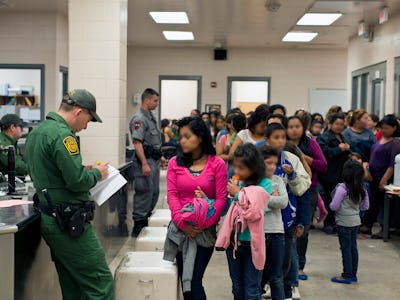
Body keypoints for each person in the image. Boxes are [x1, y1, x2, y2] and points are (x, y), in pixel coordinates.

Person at [25, 89, 114, 299]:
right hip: (69, 221)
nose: (85, 126)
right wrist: (95, 173)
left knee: (73, 285)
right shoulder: (64, 135)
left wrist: (84, 168)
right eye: (88, 120)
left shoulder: (38, 132)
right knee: (100, 283)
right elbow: (77, 181)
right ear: (79, 112)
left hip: (52, 218)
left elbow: (52, 173)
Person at [166, 116, 227, 299]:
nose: (182, 140)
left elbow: (221, 199)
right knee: (186, 283)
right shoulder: (174, 163)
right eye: (181, 136)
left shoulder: (217, 164)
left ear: (200, 137)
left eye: (187, 136)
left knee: (194, 280)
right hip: (180, 230)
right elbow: (172, 196)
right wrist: (183, 224)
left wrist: (203, 224)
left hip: (205, 232)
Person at [217, 143, 271, 300]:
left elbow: (254, 212)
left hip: (252, 244)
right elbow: (228, 211)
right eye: (235, 166)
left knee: (252, 291)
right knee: (237, 289)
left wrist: (237, 194)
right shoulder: (237, 183)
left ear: (253, 167)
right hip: (234, 244)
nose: (237, 171)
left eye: (241, 167)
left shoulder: (265, 185)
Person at [265, 123, 311, 300]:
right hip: (262, 220)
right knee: (264, 262)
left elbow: (302, 190)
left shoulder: (291, 159)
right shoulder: (258, 157)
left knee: (284, 262)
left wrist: (292, 175)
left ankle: (287, 290)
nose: (281, 141)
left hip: (286, 219)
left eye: (283, 137)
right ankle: (264, 287)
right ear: (267, 139)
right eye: (276, 137)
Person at [287, 116, 327, 281]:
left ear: (303, 128)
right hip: (286, 190)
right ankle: (287, 264)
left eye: (297, 126)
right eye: (290, 127)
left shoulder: (310, 143)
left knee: (303, 229)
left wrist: (306, 159)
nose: (294, 130)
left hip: (307, 190)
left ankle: (300, 266)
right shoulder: (282, 144)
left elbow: (323, 165)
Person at [129, 88, 165, 237]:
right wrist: (144, 163)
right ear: (147, 100)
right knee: (144, 192)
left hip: (154, 160)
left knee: (154, 192)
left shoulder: (151, 117)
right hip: (145, 160)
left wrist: (160, 156)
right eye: (155, 100)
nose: (157, 103)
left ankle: (146, 219)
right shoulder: (139, 119)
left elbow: (154, 140)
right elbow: (137, 143)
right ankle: (139, 225)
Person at [360, 114, 400, 239]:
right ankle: (367, 225)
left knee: (384, 205)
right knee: (374, 202)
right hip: (373, 176)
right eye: (382, 127)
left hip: (384, 177)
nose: (383, 130)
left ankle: (385, 228)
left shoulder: (395, 143)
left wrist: (384, 179)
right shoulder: (381, 138)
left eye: (387, 128)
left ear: (394, 128)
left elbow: (392, 163)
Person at [330, 160, 369, 284]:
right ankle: (353, 274)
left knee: (345, 249)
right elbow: (365, 207)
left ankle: (346, 275)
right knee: (353, 248)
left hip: (343, 223)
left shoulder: (342, 188)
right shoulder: (362, 188)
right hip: (356, 222)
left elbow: (334, 206)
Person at [258, 145, 288, 300]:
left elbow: (283, 202)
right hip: (257, 234)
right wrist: (271, 198)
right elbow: (253, 205)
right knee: (258, 277)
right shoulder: (253, 181)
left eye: (274, 163)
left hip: (277, 232)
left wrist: (264, 199)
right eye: (268, 162)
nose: (272, 167)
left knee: (276, 276)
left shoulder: (278, 180)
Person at [317, 114, 351, 234]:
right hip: (328, 174)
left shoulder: (342, 137)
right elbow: (325, 154)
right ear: (330, 124)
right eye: (337, 124)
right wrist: (339, 149)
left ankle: (334, 223)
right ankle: (327, 223)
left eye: (342, 124)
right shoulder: (324, 137)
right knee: (329, 198)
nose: (339, 126)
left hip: (340, 173)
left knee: (338, 199)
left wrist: (347, 149)